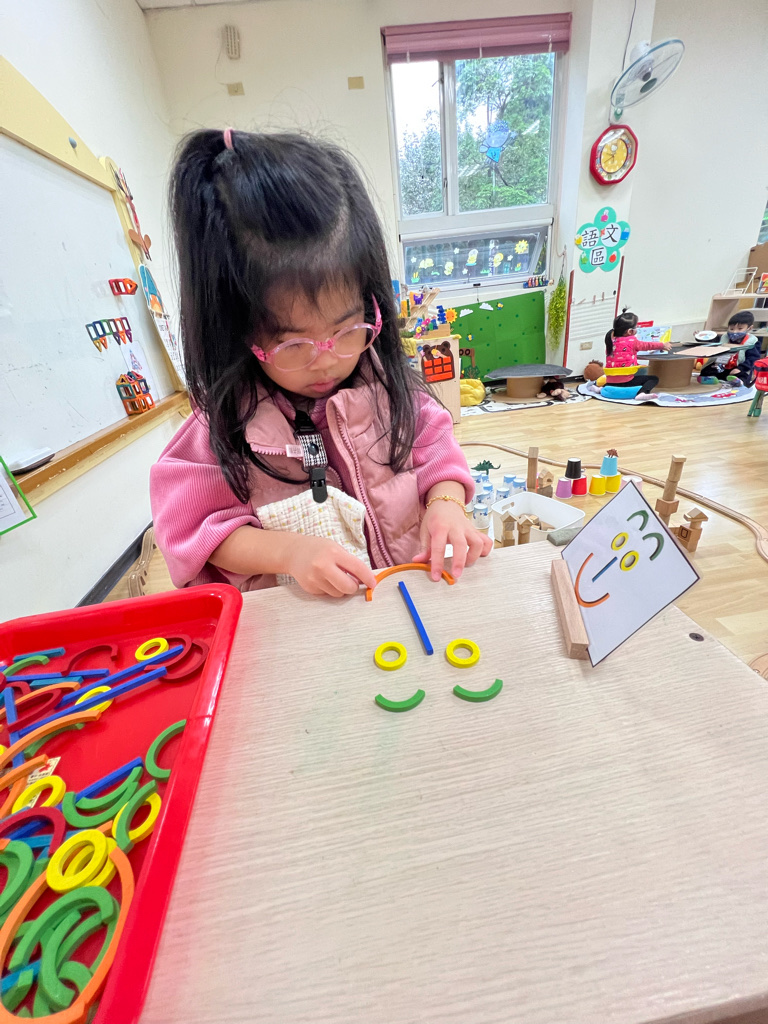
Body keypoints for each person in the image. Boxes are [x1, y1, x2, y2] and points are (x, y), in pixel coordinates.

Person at [150, 128, 491, 598]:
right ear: (239, 334)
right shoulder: (221, 428)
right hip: (305, 621)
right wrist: (287, 552)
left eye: (348, 330)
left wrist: (446, 503)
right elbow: (192, 529)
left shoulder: (387, 388)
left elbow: (437, 451)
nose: (327, 362)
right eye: (293, 345)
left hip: (403, 597)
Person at [599, 310, 671, 394]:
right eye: (636, 327)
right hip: (626, 382)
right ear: (630, 331)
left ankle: (599, 388)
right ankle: (642, 393)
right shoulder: (632, 341)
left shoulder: (610, 341)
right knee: (653, 379)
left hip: (610, 381)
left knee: (638, 370)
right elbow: (647, 345)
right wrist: (662, 345)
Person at [698, 311, 761, 387]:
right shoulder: (724, 337)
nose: (735, 331)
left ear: (749, 328)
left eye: (740, 329)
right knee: (707, 370)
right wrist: (700, 337)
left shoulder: (752, 342)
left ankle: (738, 381)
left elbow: (753, 358)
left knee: (743, 375)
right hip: (721, 365)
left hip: (737, 367)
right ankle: (710, 379)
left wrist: (741, 368)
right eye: (731, 328)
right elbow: (711, 342)